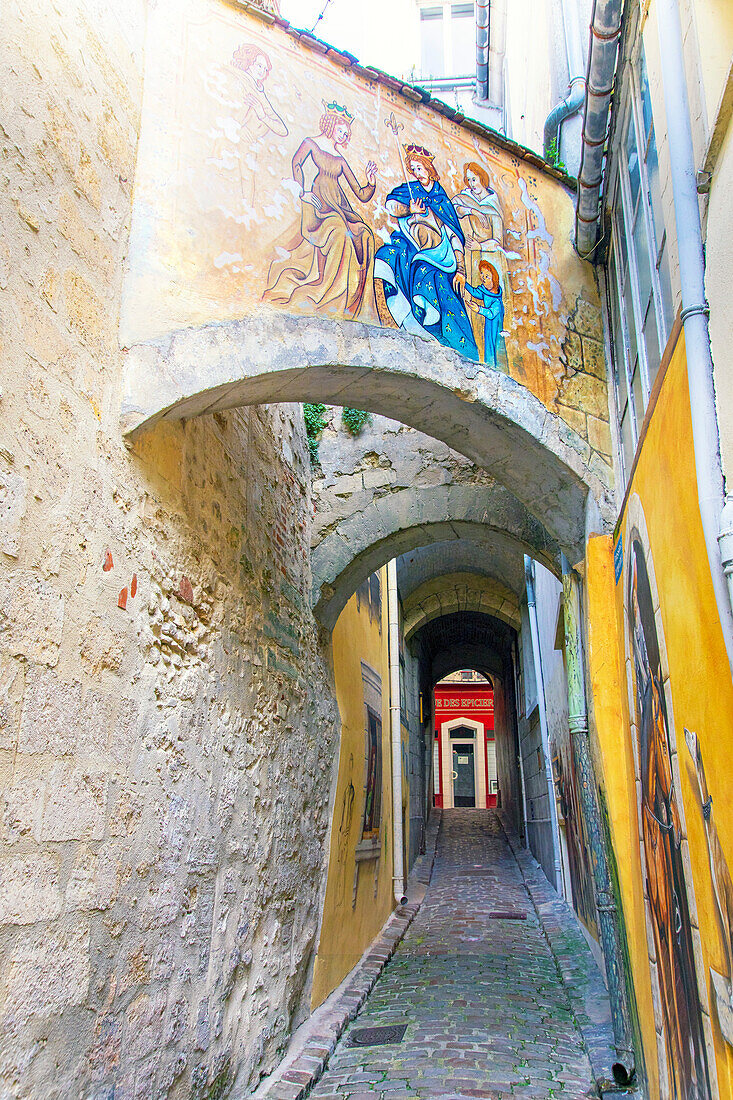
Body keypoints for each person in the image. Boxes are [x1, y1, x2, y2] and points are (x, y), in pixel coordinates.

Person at [262, 101, 378, 320]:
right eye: (341, 131)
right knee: (339, 232)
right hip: (319, 205)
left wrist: (371, 182)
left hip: (339, 206)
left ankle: (350, 298)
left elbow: (361, 194)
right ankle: (327, 292)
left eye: (346, 133)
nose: (343, 136)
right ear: (331, 125)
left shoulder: (340, 160)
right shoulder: (311, 144)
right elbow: (296, 163)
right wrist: (302, 191)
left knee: (364, 235)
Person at [374, 145, 478, 360]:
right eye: (412, 169)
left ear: (429, 169)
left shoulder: (442, 201)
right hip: (414, 248)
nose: (416, 173)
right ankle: (407, 320)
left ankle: (442, 336)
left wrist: (460, 268)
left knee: (433, 277)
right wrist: (409, 209)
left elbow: (454, 236)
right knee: (388, 256)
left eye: (419, 168)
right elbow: (391, 204)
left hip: (442, 257)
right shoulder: (411, 191)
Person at [464, 260, 504, 367]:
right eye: (482, 274)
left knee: (493, 345)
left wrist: (478, 309)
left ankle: (492, 366)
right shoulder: (485, 291)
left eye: (487, 276)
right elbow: (474, 292)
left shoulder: (496, 300)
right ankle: (488, 364)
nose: (483, 278)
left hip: (495, 326)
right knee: (488, 344)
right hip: (489, 325)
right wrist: (464, 282)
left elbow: (491, 313)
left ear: (494, 279)